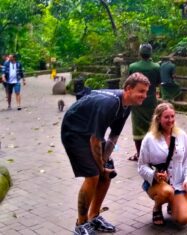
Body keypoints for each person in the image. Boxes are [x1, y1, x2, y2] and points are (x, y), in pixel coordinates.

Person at [61, 72, 150, 235]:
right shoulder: (111, 104)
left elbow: (113, 136)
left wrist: (105, 160)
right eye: (141, 91)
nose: (145, 95)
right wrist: (100, 167)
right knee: (94, 174)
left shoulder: (126, 106)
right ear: (128, 89)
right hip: (74, 132)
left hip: (90, 133)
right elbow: (95, 140)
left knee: (107, 172)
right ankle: (81, 224)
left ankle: (94, 216)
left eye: (146, 91)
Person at [138, 102, 187, 226]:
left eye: (172, 116)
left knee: (183, 220)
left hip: (178, 183)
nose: (170, 120)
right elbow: (141, 166)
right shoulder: (149, 139)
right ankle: (157, 208)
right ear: (158, 119)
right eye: (166, 117)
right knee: (166, 191)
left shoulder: (182, 135)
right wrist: (154, 175)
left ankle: (172, 203)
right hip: (158, 185)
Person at [128, 43, 161, 161]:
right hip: (151, 100)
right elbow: (158, 82)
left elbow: (129, 82)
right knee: (152, 125)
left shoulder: (132, 66)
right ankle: (153, 153)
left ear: (140, 53)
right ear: (150, 53)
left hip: (137, 101)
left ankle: (139, 154)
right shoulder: (156, 67)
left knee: (137, 126)